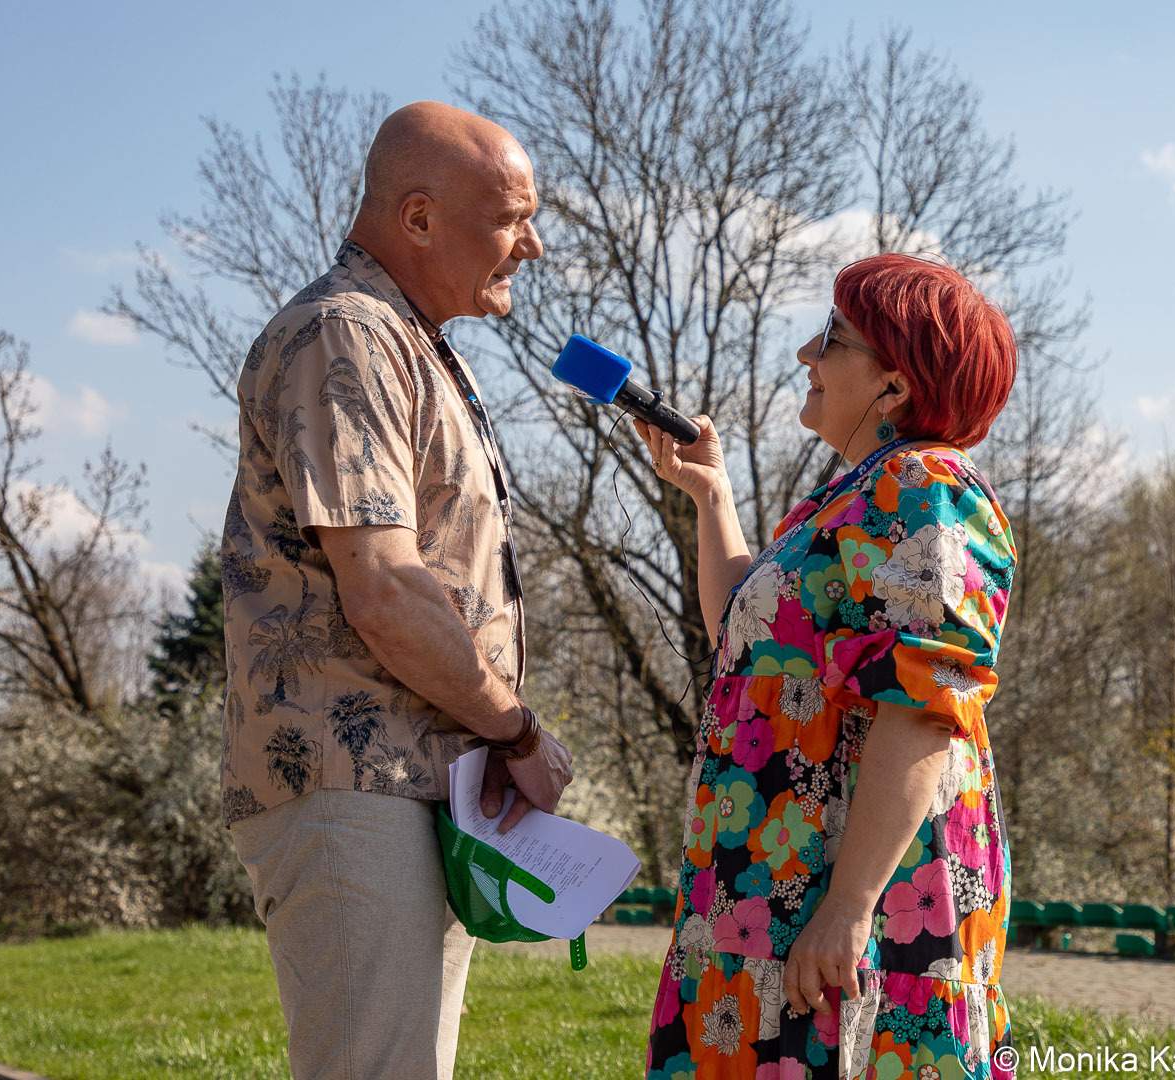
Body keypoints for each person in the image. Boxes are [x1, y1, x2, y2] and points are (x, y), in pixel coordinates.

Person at [219, 101, 573, 1080]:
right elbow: (383, 587)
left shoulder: (402, 341)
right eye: (511, 219)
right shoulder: (347, 333)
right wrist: (516, 732)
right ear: (419, 217)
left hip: (406, 791)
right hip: (353, 790)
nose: (532, 245)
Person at [636, 253, 1021, 1079]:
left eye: (832, 338)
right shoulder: (856, 493)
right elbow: (747, 643)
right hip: (770, 883)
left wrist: (849, 906)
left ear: (895, 384)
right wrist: (712, 496)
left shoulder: (923, 487)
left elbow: (923, 707)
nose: (807, 354)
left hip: (842, 892)